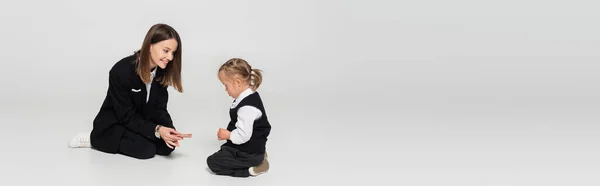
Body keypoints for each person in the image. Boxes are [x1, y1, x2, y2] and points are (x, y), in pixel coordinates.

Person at [68, 23, 192, 159]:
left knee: (167, 147)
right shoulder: (121, 71)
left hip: (140, 121)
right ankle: (93, 138)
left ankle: (145, 136)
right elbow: (126, 116)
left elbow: (159, 109)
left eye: (173, 53)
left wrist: (170, 130)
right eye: (166, 51)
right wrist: (157, 130)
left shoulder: (161, 72)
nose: (170, 57)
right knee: (146, 150)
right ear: (150, 45)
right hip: (118, 122)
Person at [206, 58, 272, 177]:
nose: (225, 90)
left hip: (248, 151)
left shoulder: (247, 107)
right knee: (225, 149)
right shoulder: (248, 96)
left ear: (238, 83)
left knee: (213, 162)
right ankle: (259, 156)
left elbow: (244, 135)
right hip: (251, 147)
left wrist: (228, 135)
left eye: (226, 85)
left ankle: (252, 168)